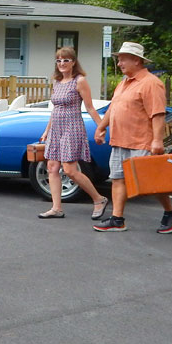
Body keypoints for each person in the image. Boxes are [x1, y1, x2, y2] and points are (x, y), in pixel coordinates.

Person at [92, 42, 172, 233]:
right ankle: (117, 219)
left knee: (149, 182)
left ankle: (171, 211)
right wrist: (101, 127)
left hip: (141, 141)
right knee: (118, 179)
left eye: (122, 59)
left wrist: (157, 141)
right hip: (119, 140)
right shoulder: (124, 83)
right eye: (118, 59)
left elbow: (157, 113)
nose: (119, 64)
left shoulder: (151, 83)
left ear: (136, 60)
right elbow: (113, 107)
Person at [37, 47, 109, 220]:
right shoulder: (56, 82)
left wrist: (101, 128)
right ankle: (56, 208)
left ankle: (99, 199)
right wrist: (47, 130)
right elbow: (55, 109)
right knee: (52, 167)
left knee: (69, 169)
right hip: (56, 128)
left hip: (72, 127)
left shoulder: (79, 81)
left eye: (66, 60)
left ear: (73, 62)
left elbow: (90, 107)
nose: (62, 63)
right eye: (59, 60)